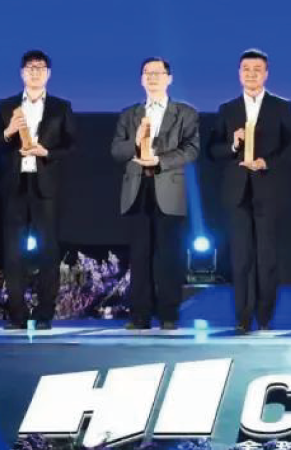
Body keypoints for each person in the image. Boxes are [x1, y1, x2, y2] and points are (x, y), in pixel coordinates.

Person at [209, 49, 291, 332]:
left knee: (267, 257)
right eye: (246, 69)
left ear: (266, 74)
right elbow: (212, 150)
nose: (251, 74)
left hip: (269, 190)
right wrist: (233, 145)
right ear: (239, 73)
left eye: (257, 69)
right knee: (241, 258)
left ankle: (264, 317)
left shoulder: (281, 106)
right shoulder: (227, 109)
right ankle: (242, 317)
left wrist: (267, 162)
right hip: (237, 192)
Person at [0, 50, 78, 330]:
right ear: (22, 73)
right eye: (30, 68)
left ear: (48, 73)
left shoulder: (61, 107)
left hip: (45, 185)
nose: (35, 72)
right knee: (13, 253)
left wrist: (47, 152)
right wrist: (8, 132)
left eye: (40, 68)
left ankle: (44, 315)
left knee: (48, 251)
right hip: (15, 185)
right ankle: (16, 315)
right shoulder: (6, 106)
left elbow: (72, 146)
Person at [111, 57, 199, 330]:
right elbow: (116, 150)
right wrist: (135, 143)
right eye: (147, 73)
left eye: (158, 73)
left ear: (169, 79)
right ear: (141, 79)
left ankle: (168, 314)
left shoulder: (185, 113)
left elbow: (191, 149)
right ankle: (140, 315)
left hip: (168, 188)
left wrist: (160, 161)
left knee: (168, 256)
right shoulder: (129, 114)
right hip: (137, 190)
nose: (152, 78)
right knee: (139, 256)